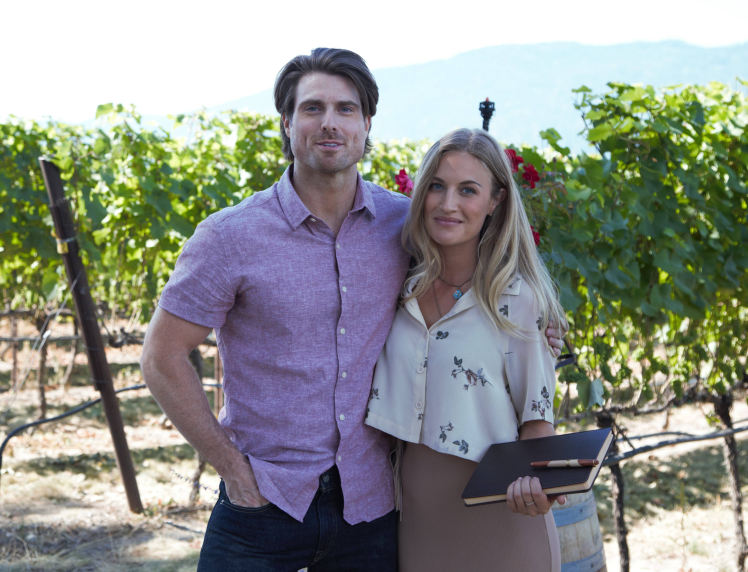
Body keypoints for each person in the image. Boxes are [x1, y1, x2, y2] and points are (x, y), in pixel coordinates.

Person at [141, 48, 566, 571]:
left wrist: (535, 330)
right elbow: (161, 357)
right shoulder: (230, 237)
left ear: (367, 125)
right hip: (264, 503)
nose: (330, 122)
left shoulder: (403, 226)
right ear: (286, 123)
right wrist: (231, 468)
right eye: (312, 108)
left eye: (346, 109)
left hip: (370, 510)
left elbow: (476, 288)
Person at [365, 128, 566, 572]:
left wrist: (539, 485)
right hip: (418, 526)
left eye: (468, 190)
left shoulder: (518, 300)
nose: (448, 203)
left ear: (496, 201)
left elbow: (537, 420)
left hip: (503, 522)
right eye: (437, 185)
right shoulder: (398, 286)